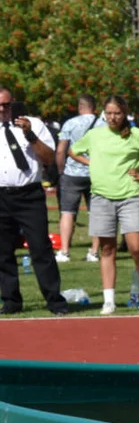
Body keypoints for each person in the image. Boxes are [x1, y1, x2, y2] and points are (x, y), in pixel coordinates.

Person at [69, 95, 139, 315]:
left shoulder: (135, 135)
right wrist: (90, 162)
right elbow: (73, 150)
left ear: (124, 113)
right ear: (103, 113)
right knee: (107, 249)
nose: (113, 117)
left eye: (117, 113)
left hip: (129, 197)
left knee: (137, 248)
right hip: (101, 197)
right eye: (109, 113)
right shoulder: (95, 135)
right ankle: (109, 300)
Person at [0, 88, 68, 316]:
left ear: (14, 104)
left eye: (7, 105)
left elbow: (49, 158)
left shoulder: (33, 125)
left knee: (40, 248)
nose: (3, 110)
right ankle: (11, 300)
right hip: (1, 195)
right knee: (3, 251)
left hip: (29, 194)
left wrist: (29, 134)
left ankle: (54, 300)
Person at [54, 94, 102, 263]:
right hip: (96, 172)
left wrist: (60, 171)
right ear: (94, 108)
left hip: (72, 173)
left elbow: (61, 150)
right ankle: (94, 252)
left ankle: (65, 251)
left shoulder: (70, 123)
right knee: (96, 213)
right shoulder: (103, 124)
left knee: (67, 212)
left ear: (80, 107)